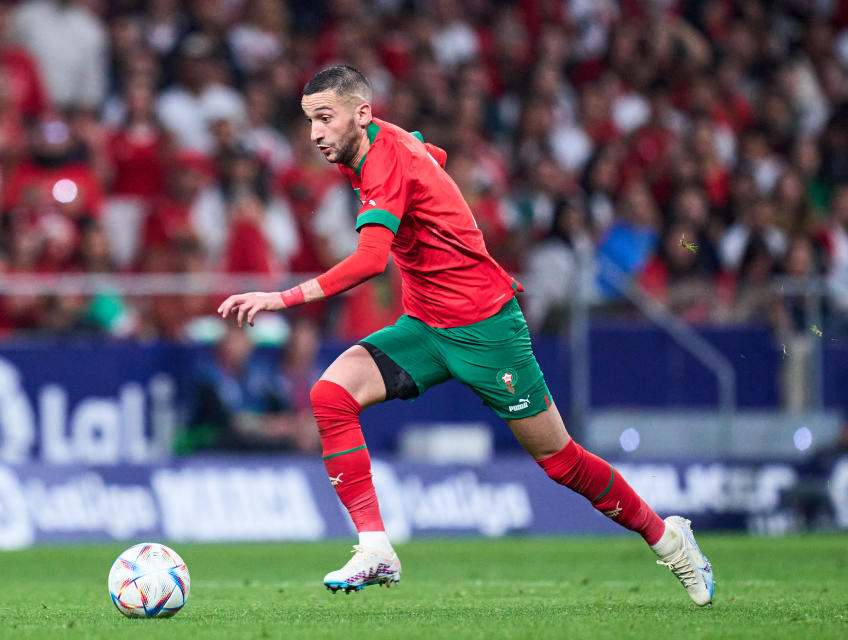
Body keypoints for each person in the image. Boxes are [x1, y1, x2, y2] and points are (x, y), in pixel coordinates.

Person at [218, 65, 714, 606]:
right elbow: (436, 157)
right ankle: (376, 547)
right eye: (309, 119)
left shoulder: (385, 161)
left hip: (486, 329)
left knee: (560, 460)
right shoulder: (377, 145)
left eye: (325, 117)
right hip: (427, 327)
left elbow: (369, 261)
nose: (314, 132)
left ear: (361, 113)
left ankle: (671, 542)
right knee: (330, 395)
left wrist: (279, 298)